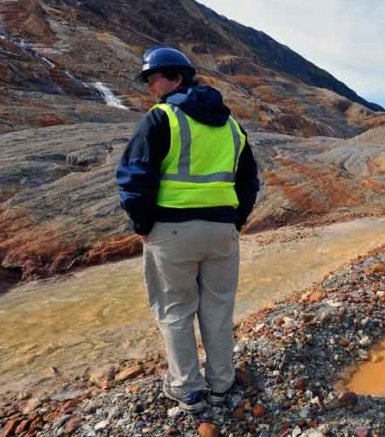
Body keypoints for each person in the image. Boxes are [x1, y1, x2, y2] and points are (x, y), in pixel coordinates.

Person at [116, 46, 259, 412]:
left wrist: (143, 225)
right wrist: (234, 222)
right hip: (222, 232)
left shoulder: (161, 118)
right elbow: (249, 183)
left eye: (154, 78)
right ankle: (222, 387)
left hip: (172, 232)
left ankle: (189, 390)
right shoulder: (232, 126)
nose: (151, 86)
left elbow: (135, 179)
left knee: (176, 310)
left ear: (177, 78)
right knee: (218, 310)